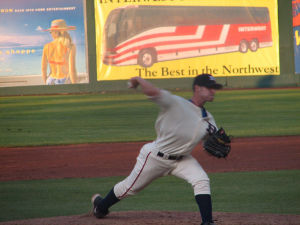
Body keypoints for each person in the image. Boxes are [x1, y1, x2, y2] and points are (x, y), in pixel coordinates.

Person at [91, 74, 223, 225]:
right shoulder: (175, 103)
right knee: (129, 188)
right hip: (155, 157)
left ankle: (207, 222)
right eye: (210, 88)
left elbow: (214, 142)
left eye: (215, 88)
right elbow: (153, 92)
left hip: (182, 159)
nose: (213, 91)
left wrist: (219, 144)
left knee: (201, 179)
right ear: (197, 88)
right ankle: (101, 206)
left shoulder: (209, 119)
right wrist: (139, 80)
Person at [41, 19, 77, 85]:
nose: (51, 34)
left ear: (56, 32)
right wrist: (76, 87)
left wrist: (46, 82)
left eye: (51, 32)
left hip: (50, 80)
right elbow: (72, 71)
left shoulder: (46, 47)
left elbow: (43, 69)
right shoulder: (70, 47)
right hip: (63, 81)